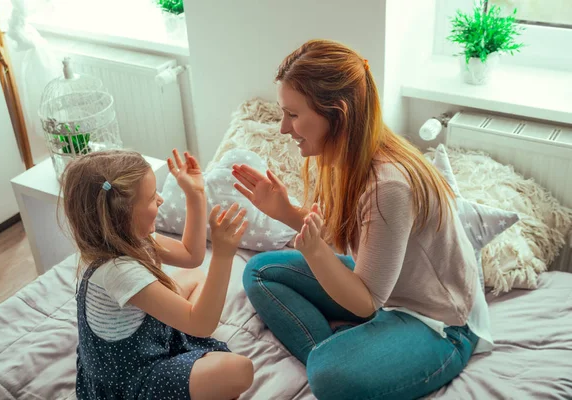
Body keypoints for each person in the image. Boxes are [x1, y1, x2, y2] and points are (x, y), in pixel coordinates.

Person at [233, 39, 492, 400]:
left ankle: (344, 358)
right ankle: (350, 353)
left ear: (337, 114)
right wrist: (286, 212)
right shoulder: (347, 157)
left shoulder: (388, 185)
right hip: (380, 291)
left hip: (437, 322)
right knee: (259, 271)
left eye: (293, 115)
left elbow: (366, 301)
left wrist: (316, 254)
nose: (283, 128)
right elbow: (345, 240)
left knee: (328, 377)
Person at [62, 149, 253, 400]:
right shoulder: (117, 272)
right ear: (123, 213)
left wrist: (195, 194)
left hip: (144, 342)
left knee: (196, 278)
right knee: (240, 370)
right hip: (132, 383)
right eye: (152, 197)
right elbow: (203, 325)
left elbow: (190, 255)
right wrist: (223, 255)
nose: (160, 200)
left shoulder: (126, 239)